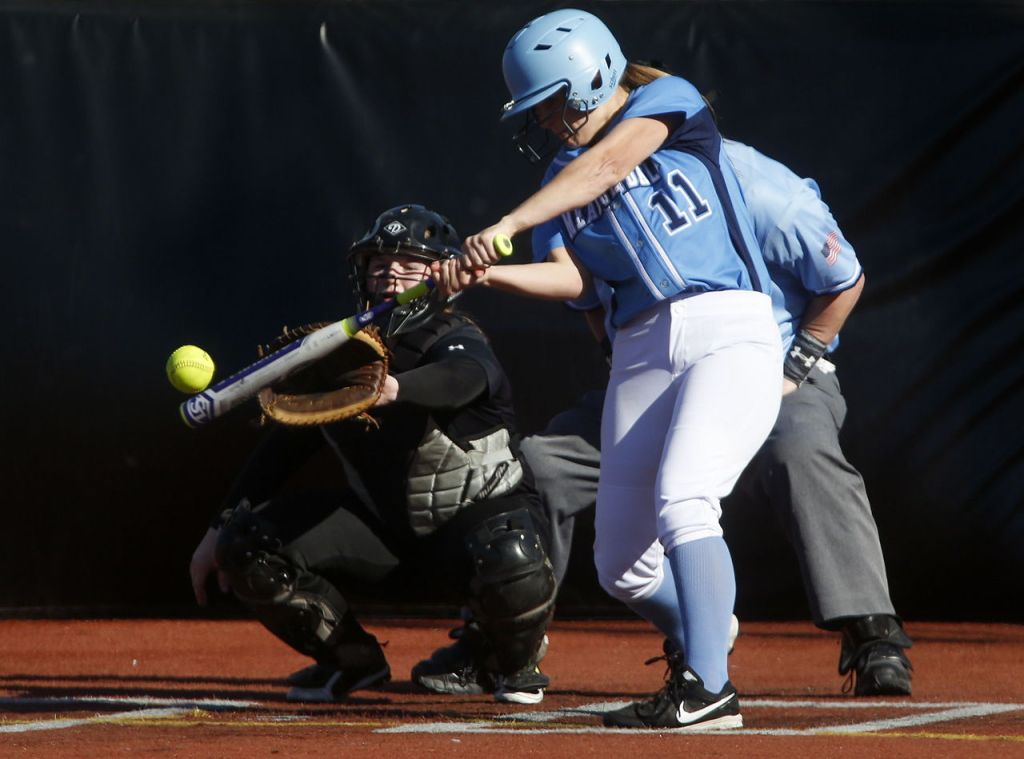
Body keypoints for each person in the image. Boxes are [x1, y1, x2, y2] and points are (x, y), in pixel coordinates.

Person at [433, 9, 782, 730]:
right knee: (621, 561)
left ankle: (709, 687)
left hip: (727, 326)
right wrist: (483, 276)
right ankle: (706, 627)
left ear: (595, 76)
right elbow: (573, 283)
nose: (550, 123)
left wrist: (504, 226)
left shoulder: (667, 100)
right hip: (641, 347)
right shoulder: (559, 179)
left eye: (555, 102)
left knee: (685, 500)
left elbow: (609, 166)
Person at [188, 204, 557, 705]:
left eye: (410, 263)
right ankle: (352, 661)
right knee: (245, 543)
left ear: (443, 273)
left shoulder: (458, 339)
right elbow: (282, 449)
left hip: (472, 537)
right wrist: (217, 528)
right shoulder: (343, 360)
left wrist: (393, 390)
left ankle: (508, 661)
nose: (390, 274)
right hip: (389, 541)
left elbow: (464, 379)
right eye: (379, 263)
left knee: (509, 548)